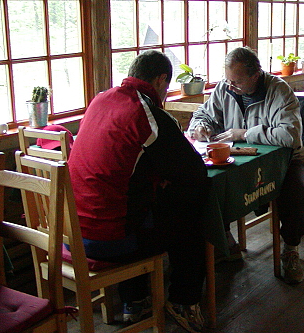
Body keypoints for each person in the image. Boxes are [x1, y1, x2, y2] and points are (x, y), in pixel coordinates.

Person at [68, 50, 208, 333]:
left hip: (72, 234)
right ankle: (183, 300)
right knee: (191, 210)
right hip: (110, 241)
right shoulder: (148, 114)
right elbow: (194, 172)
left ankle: (136, 300)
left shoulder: (100, 100)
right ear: (160, 80)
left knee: (125, 202)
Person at [189, 46, 304, 284]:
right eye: (227, 80)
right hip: (239, 158)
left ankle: (291, 249)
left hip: (287, 158)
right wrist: (200, 127)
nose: (230, 86)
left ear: (256, 75)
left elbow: (290, 136)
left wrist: (243, 134)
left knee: (296, 191)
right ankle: (225, 242)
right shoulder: (225, 88)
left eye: (237, 81)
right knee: (214, 183)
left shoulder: (279, 91)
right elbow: (203, 114)